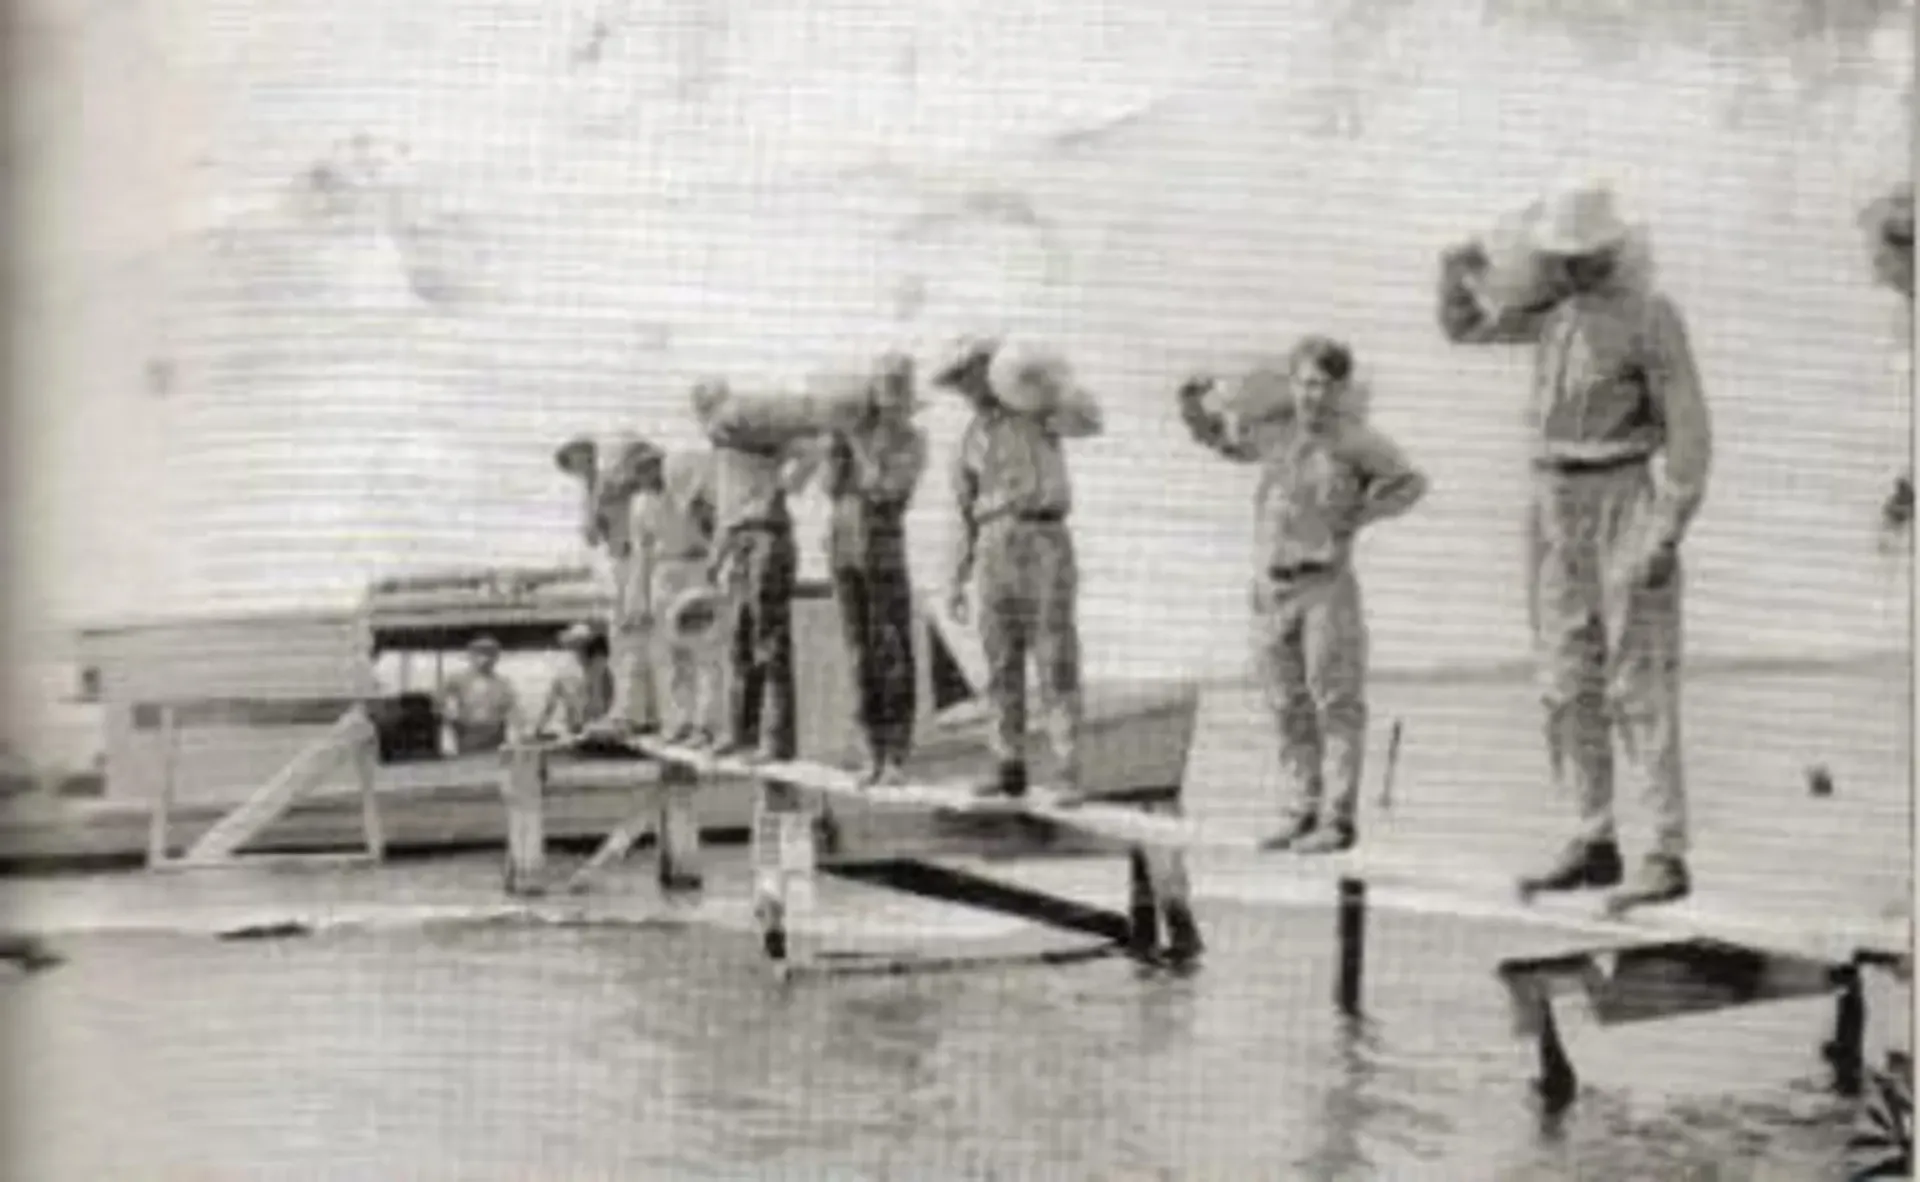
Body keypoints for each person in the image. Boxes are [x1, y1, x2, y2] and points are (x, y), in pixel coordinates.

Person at [1437, 180, 1713, 911]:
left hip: (1622, 490)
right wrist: (1453, 266)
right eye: (1564, 257)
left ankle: (1664, 849)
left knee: (1639, 679)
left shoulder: (1652, 318)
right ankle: (1591, 836)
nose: (1576, 268)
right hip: (1553, 501)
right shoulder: (1551, 317)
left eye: (1588, 255)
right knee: (1564, 678)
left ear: (1613, 252)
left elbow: (1689, 431)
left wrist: (1668, 527)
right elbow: (1463, 327)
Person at [1176, 337, 1429, 853]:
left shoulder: (1358, 441)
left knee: (1335, 701)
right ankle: (1299, 809)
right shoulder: (1275, 435)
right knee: (1284, 703)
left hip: (1325, 585)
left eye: (1324, 385)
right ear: (1292, 385)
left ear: (1341, 389)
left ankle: (1336, 820)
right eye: (1305, 383)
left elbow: (1410, 482)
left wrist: (1361, 514)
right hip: (1272, 588)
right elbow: (1221, 442)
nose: (1314, 395)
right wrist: (1189, 406)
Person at [938, 335, 1103, 805]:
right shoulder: (969, 439)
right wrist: (955, 577)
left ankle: (1068, 768)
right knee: (999, 660)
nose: (967, 387)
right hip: (992, 541)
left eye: (972, 373)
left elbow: (1091, 420)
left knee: (1055, 653)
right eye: (959, 380)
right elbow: (963, 510)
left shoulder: (1039, 411)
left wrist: (1048, 387)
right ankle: (1006, 762)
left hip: (1042, 533)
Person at [693, 378, 832, 763]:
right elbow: (726, 513)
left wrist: (786, 486)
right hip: (742, 539)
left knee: (768, 639)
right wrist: (716, 557)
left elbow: (812, 450)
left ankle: (776, 740)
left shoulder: (759, 437)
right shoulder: (726, 453)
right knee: (740, 640)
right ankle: (742, 731)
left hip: (767, 533)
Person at [817, 351, 931, 786]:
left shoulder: (912, 441)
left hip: (883, 545)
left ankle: (896, 755)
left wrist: (859, 450)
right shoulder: (850, 434)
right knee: (857, 651)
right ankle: (871, 751)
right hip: (844, 545)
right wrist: (837, 444)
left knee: (891, 649)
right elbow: (829, 487)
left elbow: (886, 490)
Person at [555, 433, 663, 734]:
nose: (578, 465)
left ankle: (637, 713)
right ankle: (635, 711)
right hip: (622, 560)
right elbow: (592, 534)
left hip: (640, 559)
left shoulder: (620, 484)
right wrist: (588, 488)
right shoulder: (599, 488)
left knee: (635, 639)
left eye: (581, 457)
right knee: (625, 640)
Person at [633, 444, 724, 747]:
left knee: (705, 648)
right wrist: (640, 597)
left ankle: (705, 724)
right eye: (638, 469)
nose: (645, 474)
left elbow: (713, 528)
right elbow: (641, 552)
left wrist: (716, 569)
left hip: (696, 566)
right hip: (664, 571)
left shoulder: (687, 488)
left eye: (650, 466)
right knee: (669, 652)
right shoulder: (640, 504)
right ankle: (678, 722)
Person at [439, 635, 523, 755]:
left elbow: (513, 712)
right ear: (471, 656)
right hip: (466, 736)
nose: (486, 659)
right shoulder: (456, 681)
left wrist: (516, 737)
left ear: (496, 658)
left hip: (495, 737)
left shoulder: (502, 684)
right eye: (481, 654)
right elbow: (445, 709)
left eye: (491, 654)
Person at [533, 622, 616, 738]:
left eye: (579, 647)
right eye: (574, 647)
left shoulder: (597, 670)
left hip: (591, 730)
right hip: (579, 731)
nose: (576, 652)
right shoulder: (569, 675)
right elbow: (550, 706)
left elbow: (599, 707)